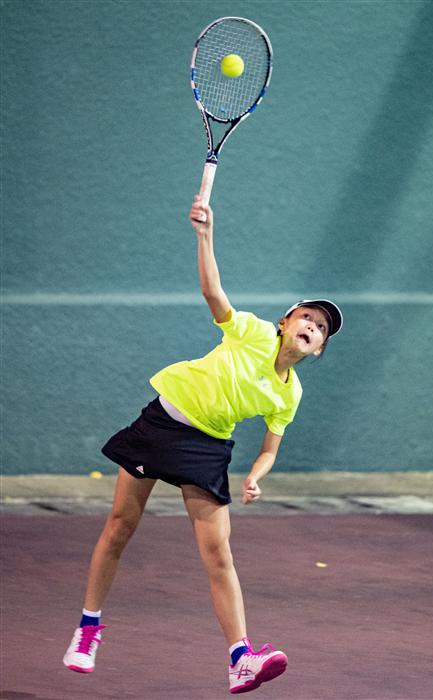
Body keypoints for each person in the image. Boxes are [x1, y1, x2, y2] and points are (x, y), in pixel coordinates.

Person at [63, 195, 343, 694]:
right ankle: (87, 630)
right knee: (121, 526)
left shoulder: (290, 393)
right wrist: (204, 233)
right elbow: (213, 292)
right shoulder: (252, 332)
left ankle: (241, 659)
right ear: (285, 322)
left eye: (321, 329)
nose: (312, 327)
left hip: (208, 449)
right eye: (307, 317)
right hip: (162, 425)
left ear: (319, 348)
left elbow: (270, 447)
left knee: (218, 555)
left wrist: (256, 475)